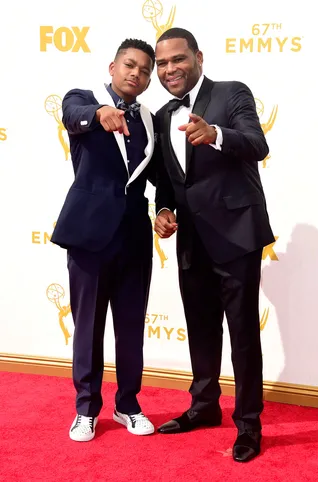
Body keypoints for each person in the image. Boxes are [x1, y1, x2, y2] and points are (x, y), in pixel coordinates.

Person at [153, 28, 275, 462]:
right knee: (201, 329)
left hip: (236, 234)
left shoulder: (231, 93)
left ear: (198, 57)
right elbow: (168, 181)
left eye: (178, 59)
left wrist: (216, 134)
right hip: (192, 241)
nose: (170, 70)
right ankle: (204, 406)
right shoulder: (163, 115)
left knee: (243, 333)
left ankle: (249, 424)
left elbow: (257, 145)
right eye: (162, 63)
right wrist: (163, 210)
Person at [51, 38, 160, 441]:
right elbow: (71, 114)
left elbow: (160, 177)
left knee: (131, 327)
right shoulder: (84, 99)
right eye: (130, 65)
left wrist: (166, 207)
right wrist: (99, 113)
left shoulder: (151, 120)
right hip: (89, 235)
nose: (137, 73)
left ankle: (128, 404)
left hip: (134, 236)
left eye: (145, 70)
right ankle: (86, 408)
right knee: (88, 327)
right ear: (112, 66)